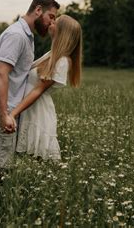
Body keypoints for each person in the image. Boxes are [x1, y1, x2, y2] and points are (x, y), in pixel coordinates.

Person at [0, 0, 60, 183]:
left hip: (7, 110)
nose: (51, 22)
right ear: (38, 10)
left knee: (2, 165)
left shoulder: (26, 36)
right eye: (51, 16)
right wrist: (4, 114)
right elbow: (1, 74)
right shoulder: (16, 35)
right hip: (0, 109)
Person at [10, 15, 82, 161]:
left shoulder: (62, 61)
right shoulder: (51, 54)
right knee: (26, 158)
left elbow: (38, 90)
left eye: (56, 22)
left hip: (38, 112)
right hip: (29, 108)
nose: (51, 22)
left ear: (63, 32)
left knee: (37, 159)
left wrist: (12, 114)